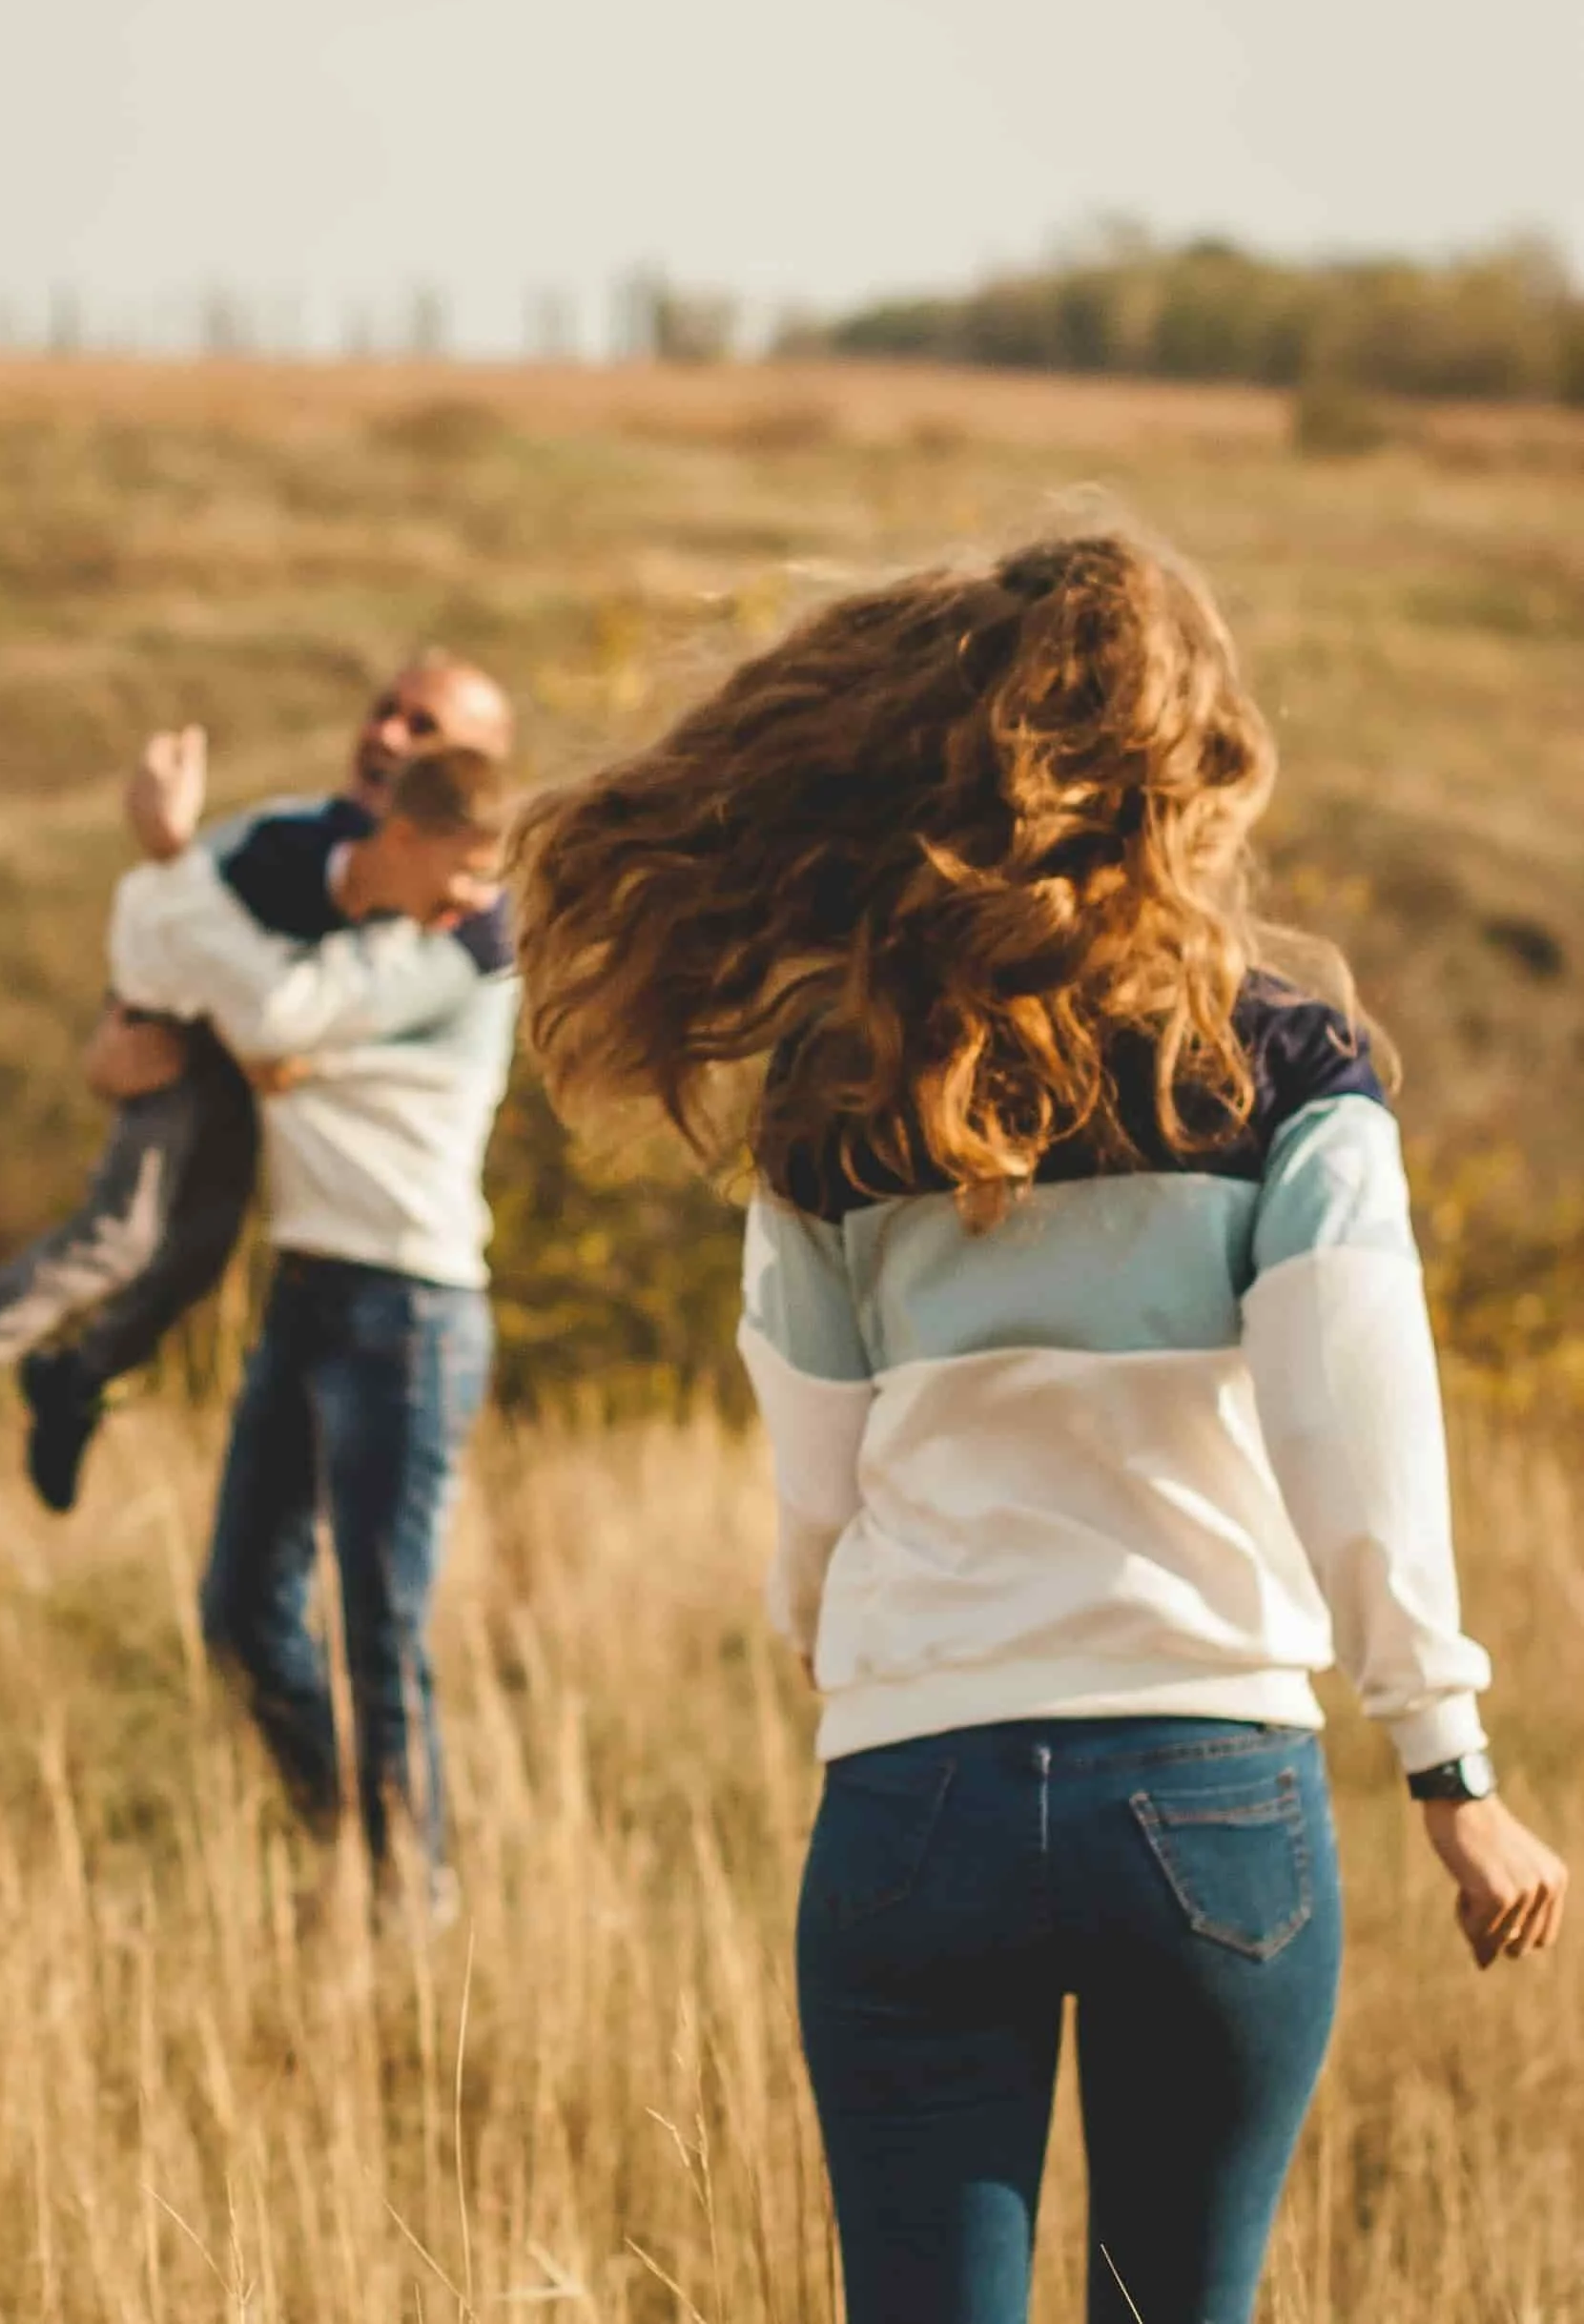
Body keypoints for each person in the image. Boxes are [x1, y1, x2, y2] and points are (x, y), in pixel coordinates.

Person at [509, 534, 1567, 2324]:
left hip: (919, 1788)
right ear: (1193, 772)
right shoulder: (1285, 1071)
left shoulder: (839, 1095)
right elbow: (1353, 1420)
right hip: (1208, 1788)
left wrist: (848, 1662)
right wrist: (1444, 1766)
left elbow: (816, 1488)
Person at [0, 650, 512, 1511]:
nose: (385, 733)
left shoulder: (469, 925)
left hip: (374, 1232)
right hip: (193, 1069)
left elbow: (305, 1015)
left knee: (194, 1256)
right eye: (381, 709)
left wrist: (265, 1039)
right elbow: (164, 909)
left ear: (475, 770)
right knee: (126, 1234)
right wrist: (120, 1020)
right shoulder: (282, 836)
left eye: (420, 726)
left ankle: (74, 1382)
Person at [103, 709, 520, 1902]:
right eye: (467, 864)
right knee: (240, 1607)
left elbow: (270, 1013)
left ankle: (414, 1893)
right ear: (406, 834)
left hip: (412, 1309)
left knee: (380, 1626)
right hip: (311, 1294)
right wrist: (171, 883)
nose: (480, 892)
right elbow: (165, 967)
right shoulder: (364, 939)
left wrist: (180, 870)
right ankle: (350, 1836)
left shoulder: (464, 950)